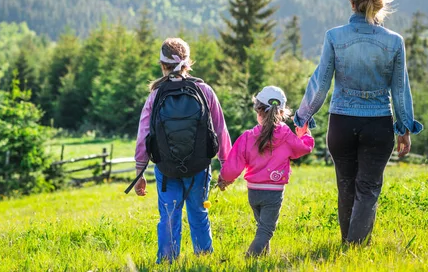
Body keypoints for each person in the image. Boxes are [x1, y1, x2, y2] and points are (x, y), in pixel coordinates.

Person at [293, 0, 423, 244]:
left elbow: (321, 83)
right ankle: (355, 247)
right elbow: (400, 90)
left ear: (351, 3)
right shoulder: (394, 41)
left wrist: (304, 116)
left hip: (341, 123)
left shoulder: (334, 37)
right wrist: (405, 127)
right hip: (378, 125)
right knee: (368, 187)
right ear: (379, 5)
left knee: (346, 186)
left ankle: (348, 245)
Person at [133, 37, 232, 263]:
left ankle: (167, 262)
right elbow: (220, 130)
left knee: (168, 217)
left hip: (166, 169)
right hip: (199, 167)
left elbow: (143, 137)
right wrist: (226, 167)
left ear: (162, 64)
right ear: (188, 63)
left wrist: (140, 173)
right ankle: (204, 260)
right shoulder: (204, 91)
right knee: (198, 214)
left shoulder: (155, 95)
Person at [218, 86, 314, 257]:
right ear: (282, 112)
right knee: (267, 230)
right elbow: (304, 148)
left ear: (258, 110)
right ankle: (250, 258)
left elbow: (234, 163)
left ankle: (262, 258)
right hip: (273, 193)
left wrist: (225, 178)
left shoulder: (248, 136)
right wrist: (305, 132)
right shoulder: (285, 136)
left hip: (254, 192)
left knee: (262, 226)